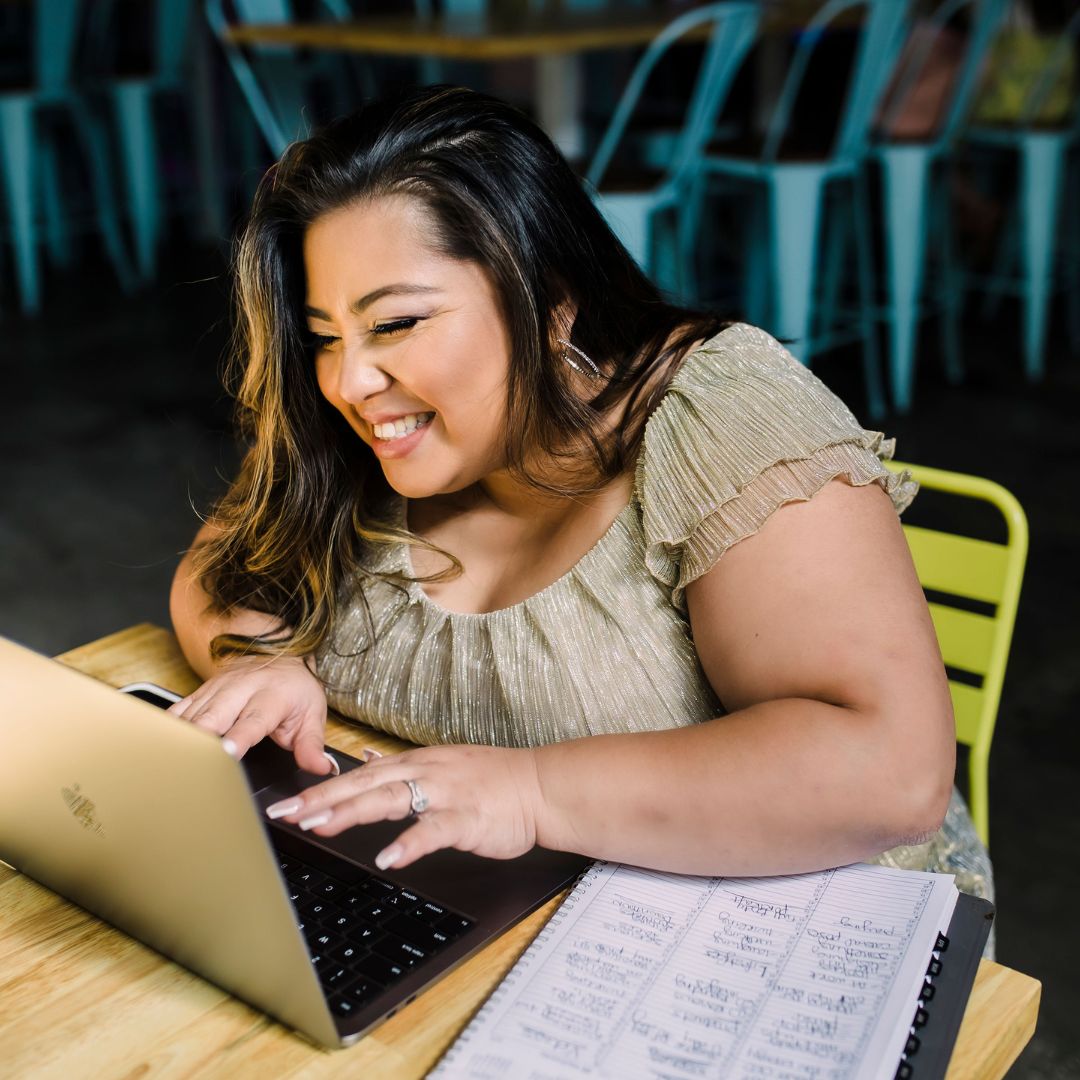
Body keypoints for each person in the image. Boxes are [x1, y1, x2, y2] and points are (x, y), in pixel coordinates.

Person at [168, 85, 991, 908]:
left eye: (396, 324)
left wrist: (530, 793)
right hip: (479, 907)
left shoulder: (719, 414)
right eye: (324, 337)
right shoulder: (354, 439)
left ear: (549, 302)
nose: (349, 380)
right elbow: (221, 576)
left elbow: (890, 772)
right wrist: (265, 663)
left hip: (798, 933)